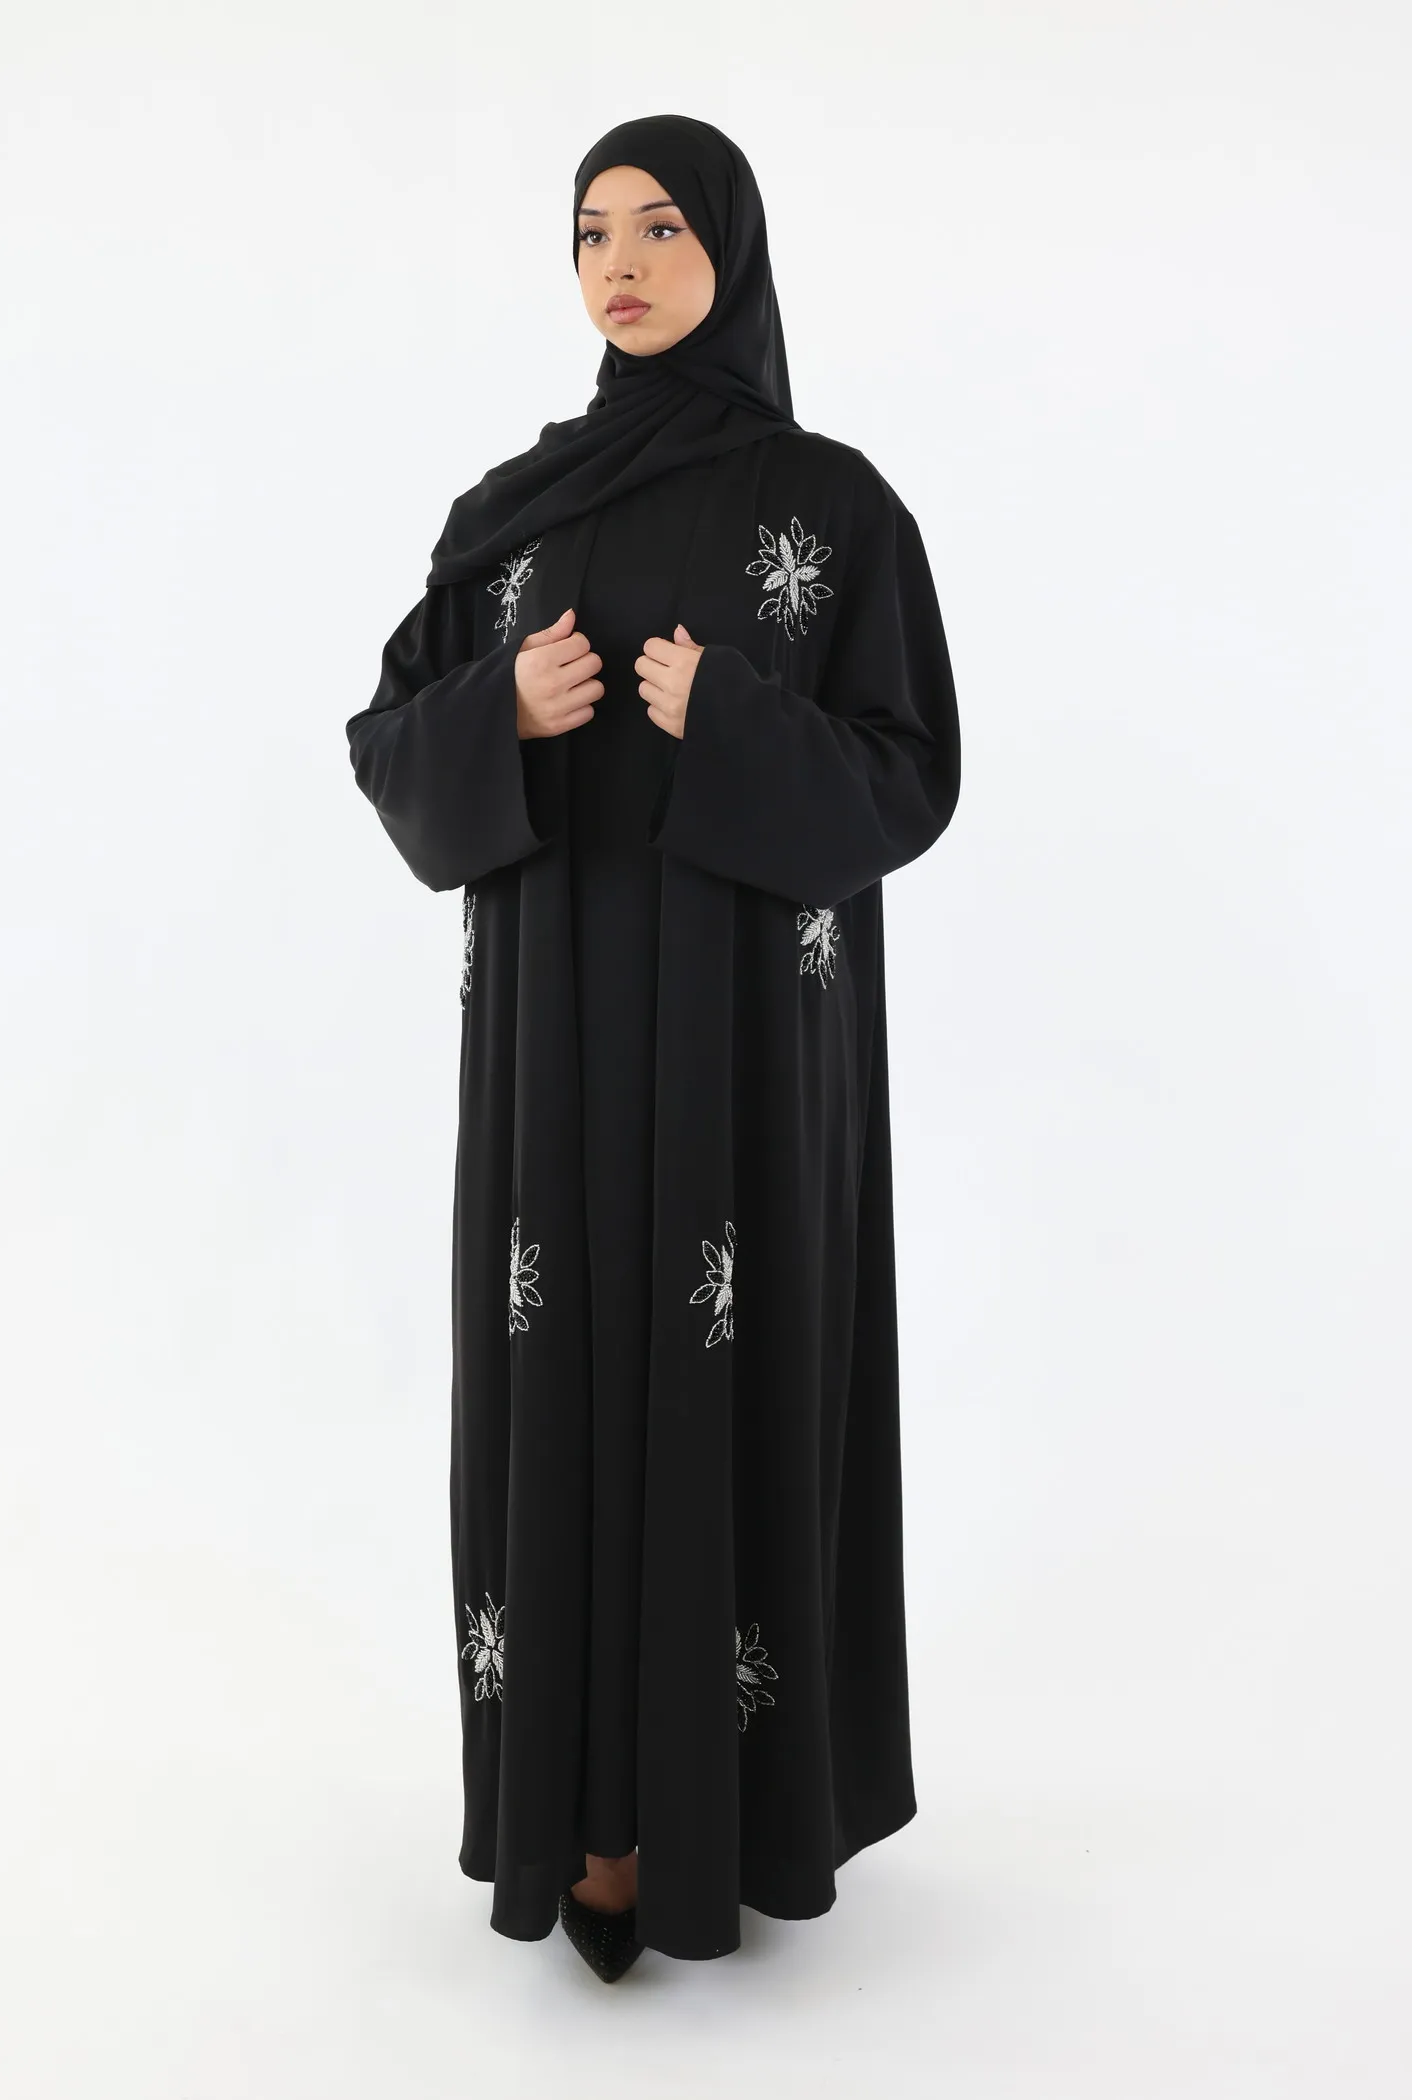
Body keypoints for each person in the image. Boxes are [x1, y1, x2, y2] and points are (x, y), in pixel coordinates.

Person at [344, 113, 961, 1980]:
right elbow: (386, 744)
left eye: (662, 227)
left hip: (744, 1049)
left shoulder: (834, 509)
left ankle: (722, 1813)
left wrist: (739, 718)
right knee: (561, 1375)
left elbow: (910, 780)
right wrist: (502, 710)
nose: (618, 263)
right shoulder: (510, 513)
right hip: (552, 1039)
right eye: (591, 231)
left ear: (733, 250)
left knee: (724, 1365)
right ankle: (585, 1824)